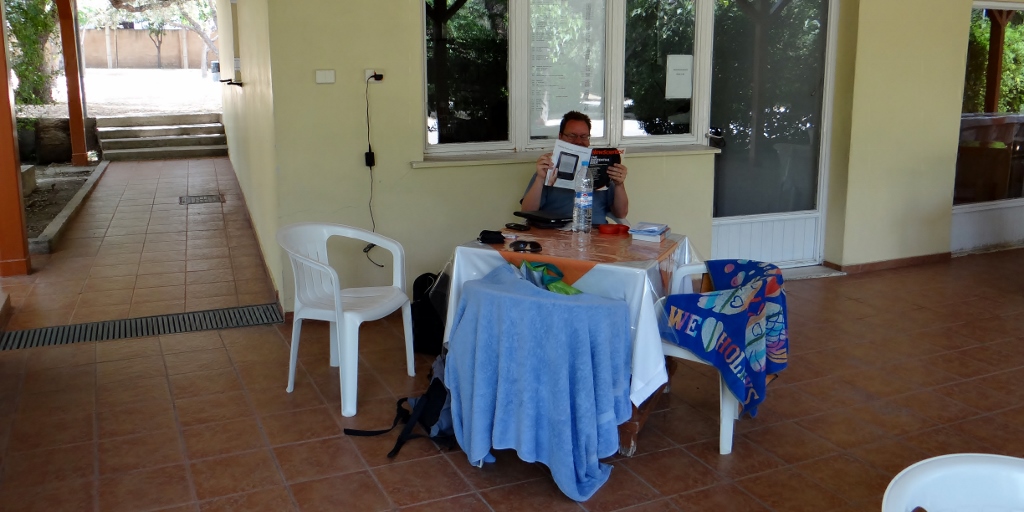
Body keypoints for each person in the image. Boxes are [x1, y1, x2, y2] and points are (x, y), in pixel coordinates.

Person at [521, 111, 629, 224]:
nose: (578, 141)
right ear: (560, 137)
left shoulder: (604, 168)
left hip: (595, 230)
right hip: (556, 231)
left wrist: (619, 184)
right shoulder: (548, 168)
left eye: (583, 136)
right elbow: (527, 212)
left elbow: (621, 214)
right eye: (572, 136)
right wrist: (540, 178)